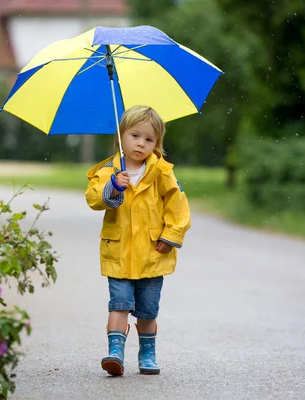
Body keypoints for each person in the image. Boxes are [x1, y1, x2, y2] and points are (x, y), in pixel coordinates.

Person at [85, 105, 191, 376]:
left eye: (149, 139)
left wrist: (171, 236)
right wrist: (113, 187)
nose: (141, 144)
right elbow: (95, 199)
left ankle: (147, 353)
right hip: (118, 252)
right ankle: (115, 352)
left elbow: (178, 207)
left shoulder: (161, 172)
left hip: (152, 253)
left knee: (147, 310)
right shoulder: (108, 171)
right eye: (135, 136)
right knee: (118, 303)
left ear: (157, 144)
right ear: (121, 136)